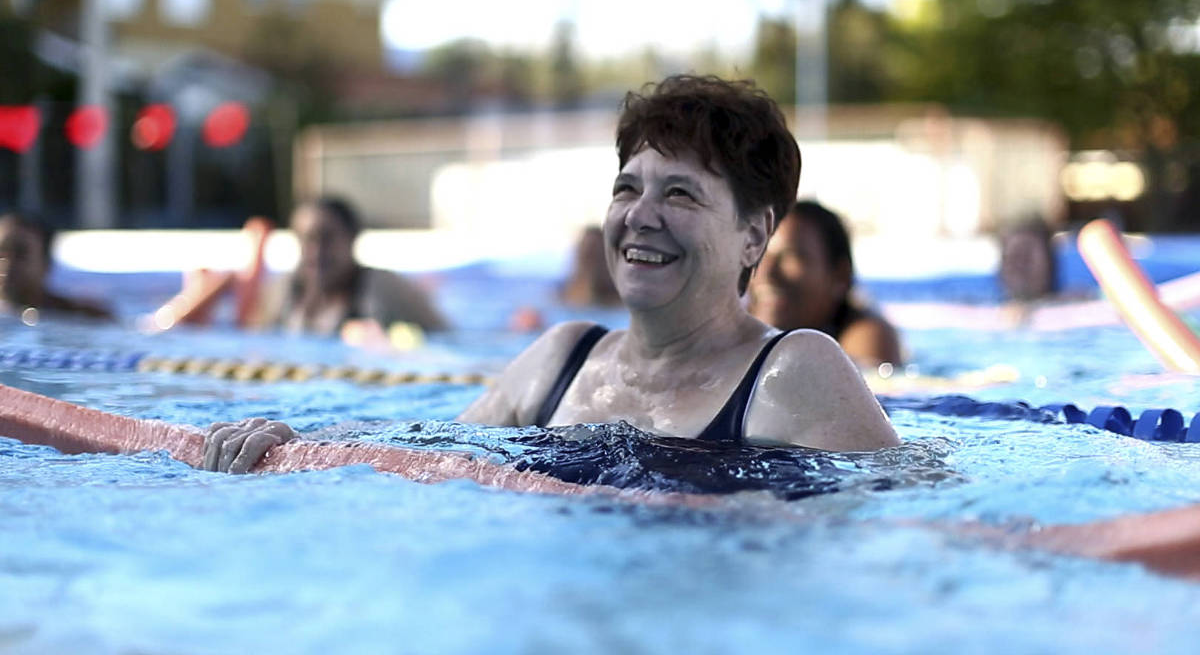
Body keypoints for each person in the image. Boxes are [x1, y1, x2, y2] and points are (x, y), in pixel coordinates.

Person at [204, 75, 899, 473]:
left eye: (680, 193)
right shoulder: (560, 361)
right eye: (628, 188)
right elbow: (419, 458)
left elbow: (911, 522)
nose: (641, 217)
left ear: (754, 234)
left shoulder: (793, 370)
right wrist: (296, 451)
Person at [252, 196, 449, 338]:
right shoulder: (284, 291)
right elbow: (255, 340)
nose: (316, 252)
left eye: (327, 238)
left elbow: (445, 336)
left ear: (352, 238)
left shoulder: (383, 287)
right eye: (307, 240)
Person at [748, 200, 902, 368]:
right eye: (760, 254)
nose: (766, 272)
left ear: (840, 276)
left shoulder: (864, 336)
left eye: (790, 256)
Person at [0, 211, 113, 321]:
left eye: (21, 253)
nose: (7, 263)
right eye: (1, 252)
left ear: (46, 263)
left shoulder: (84, 316)